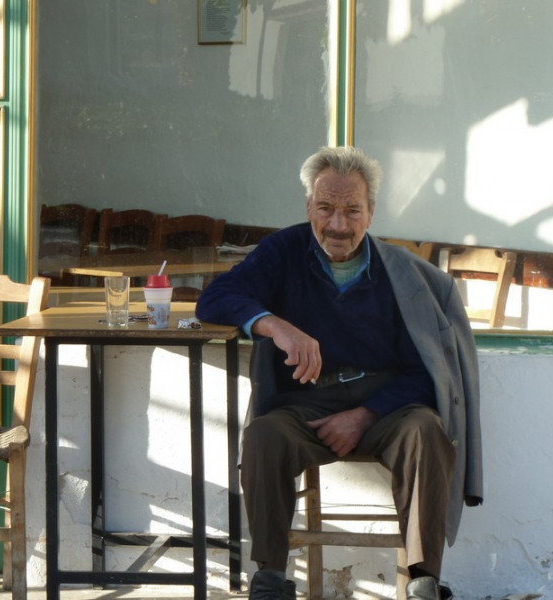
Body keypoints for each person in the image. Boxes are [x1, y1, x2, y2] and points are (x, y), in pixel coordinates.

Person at [195, 146, 482, 600]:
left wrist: (365, 415)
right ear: (309, 206)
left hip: (389, 410)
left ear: (371, 213)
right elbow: (214, 299)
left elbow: (427, 372)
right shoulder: (283, 251)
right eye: (326, 208)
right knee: (263, 436)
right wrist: (275, 325)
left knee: (426, 430)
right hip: (307, 404)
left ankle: (423, 580)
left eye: (352, 210)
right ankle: (269, 577)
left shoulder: (400, 274)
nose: (338, 225)